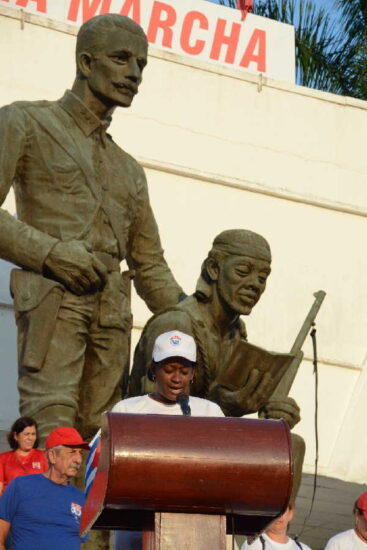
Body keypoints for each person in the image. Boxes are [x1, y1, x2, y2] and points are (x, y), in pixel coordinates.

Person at [0, 13, 184, 445]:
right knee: (55, 433)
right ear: (85, 62)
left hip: (112, 316)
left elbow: (150, 267)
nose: (134, 74)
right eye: (121, 59)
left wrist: (195, 317)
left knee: (100, 441)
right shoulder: (25, 123)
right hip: (53, 303)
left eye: (141, 64)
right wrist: (49, 252)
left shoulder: (130, 170)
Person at [128, 229, 304, 502]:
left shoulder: (236, 334)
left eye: (262, 278)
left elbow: (225, 414)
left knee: (291, 445)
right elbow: (156, 421)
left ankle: (270, 535)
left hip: (207, 450)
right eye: (243, 271)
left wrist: (272, 415)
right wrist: (225, 408)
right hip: (154, 455)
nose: (254, 284)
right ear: (213, 269)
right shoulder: (176, 326)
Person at [85, 329, 224, 549]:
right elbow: (98, 461)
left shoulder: (209, 412)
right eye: (169, 370)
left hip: (194, 532)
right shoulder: (127, 410)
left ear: (193, 373)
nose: (177, 378)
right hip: (134, 530)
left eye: (184, 371)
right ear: (153, 370)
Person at [0, 426, 90, 550]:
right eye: (72, 452)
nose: (78, 459)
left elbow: (79, 543)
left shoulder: (81, 498)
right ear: (53, 456)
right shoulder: (21, 486)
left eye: (80, 453)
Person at [0, 416, 47, 496]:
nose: (30, 438)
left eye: (33, 434)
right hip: (11, 505)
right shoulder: (3, 458)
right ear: (16, 436)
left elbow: (50, 487)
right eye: (26, 434)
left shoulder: (43, 457)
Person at [241, 506, 311, 550]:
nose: (279, 515)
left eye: (283, 510)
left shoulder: (304, 548)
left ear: (290, 514)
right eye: (275, 509)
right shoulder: (254, 544)